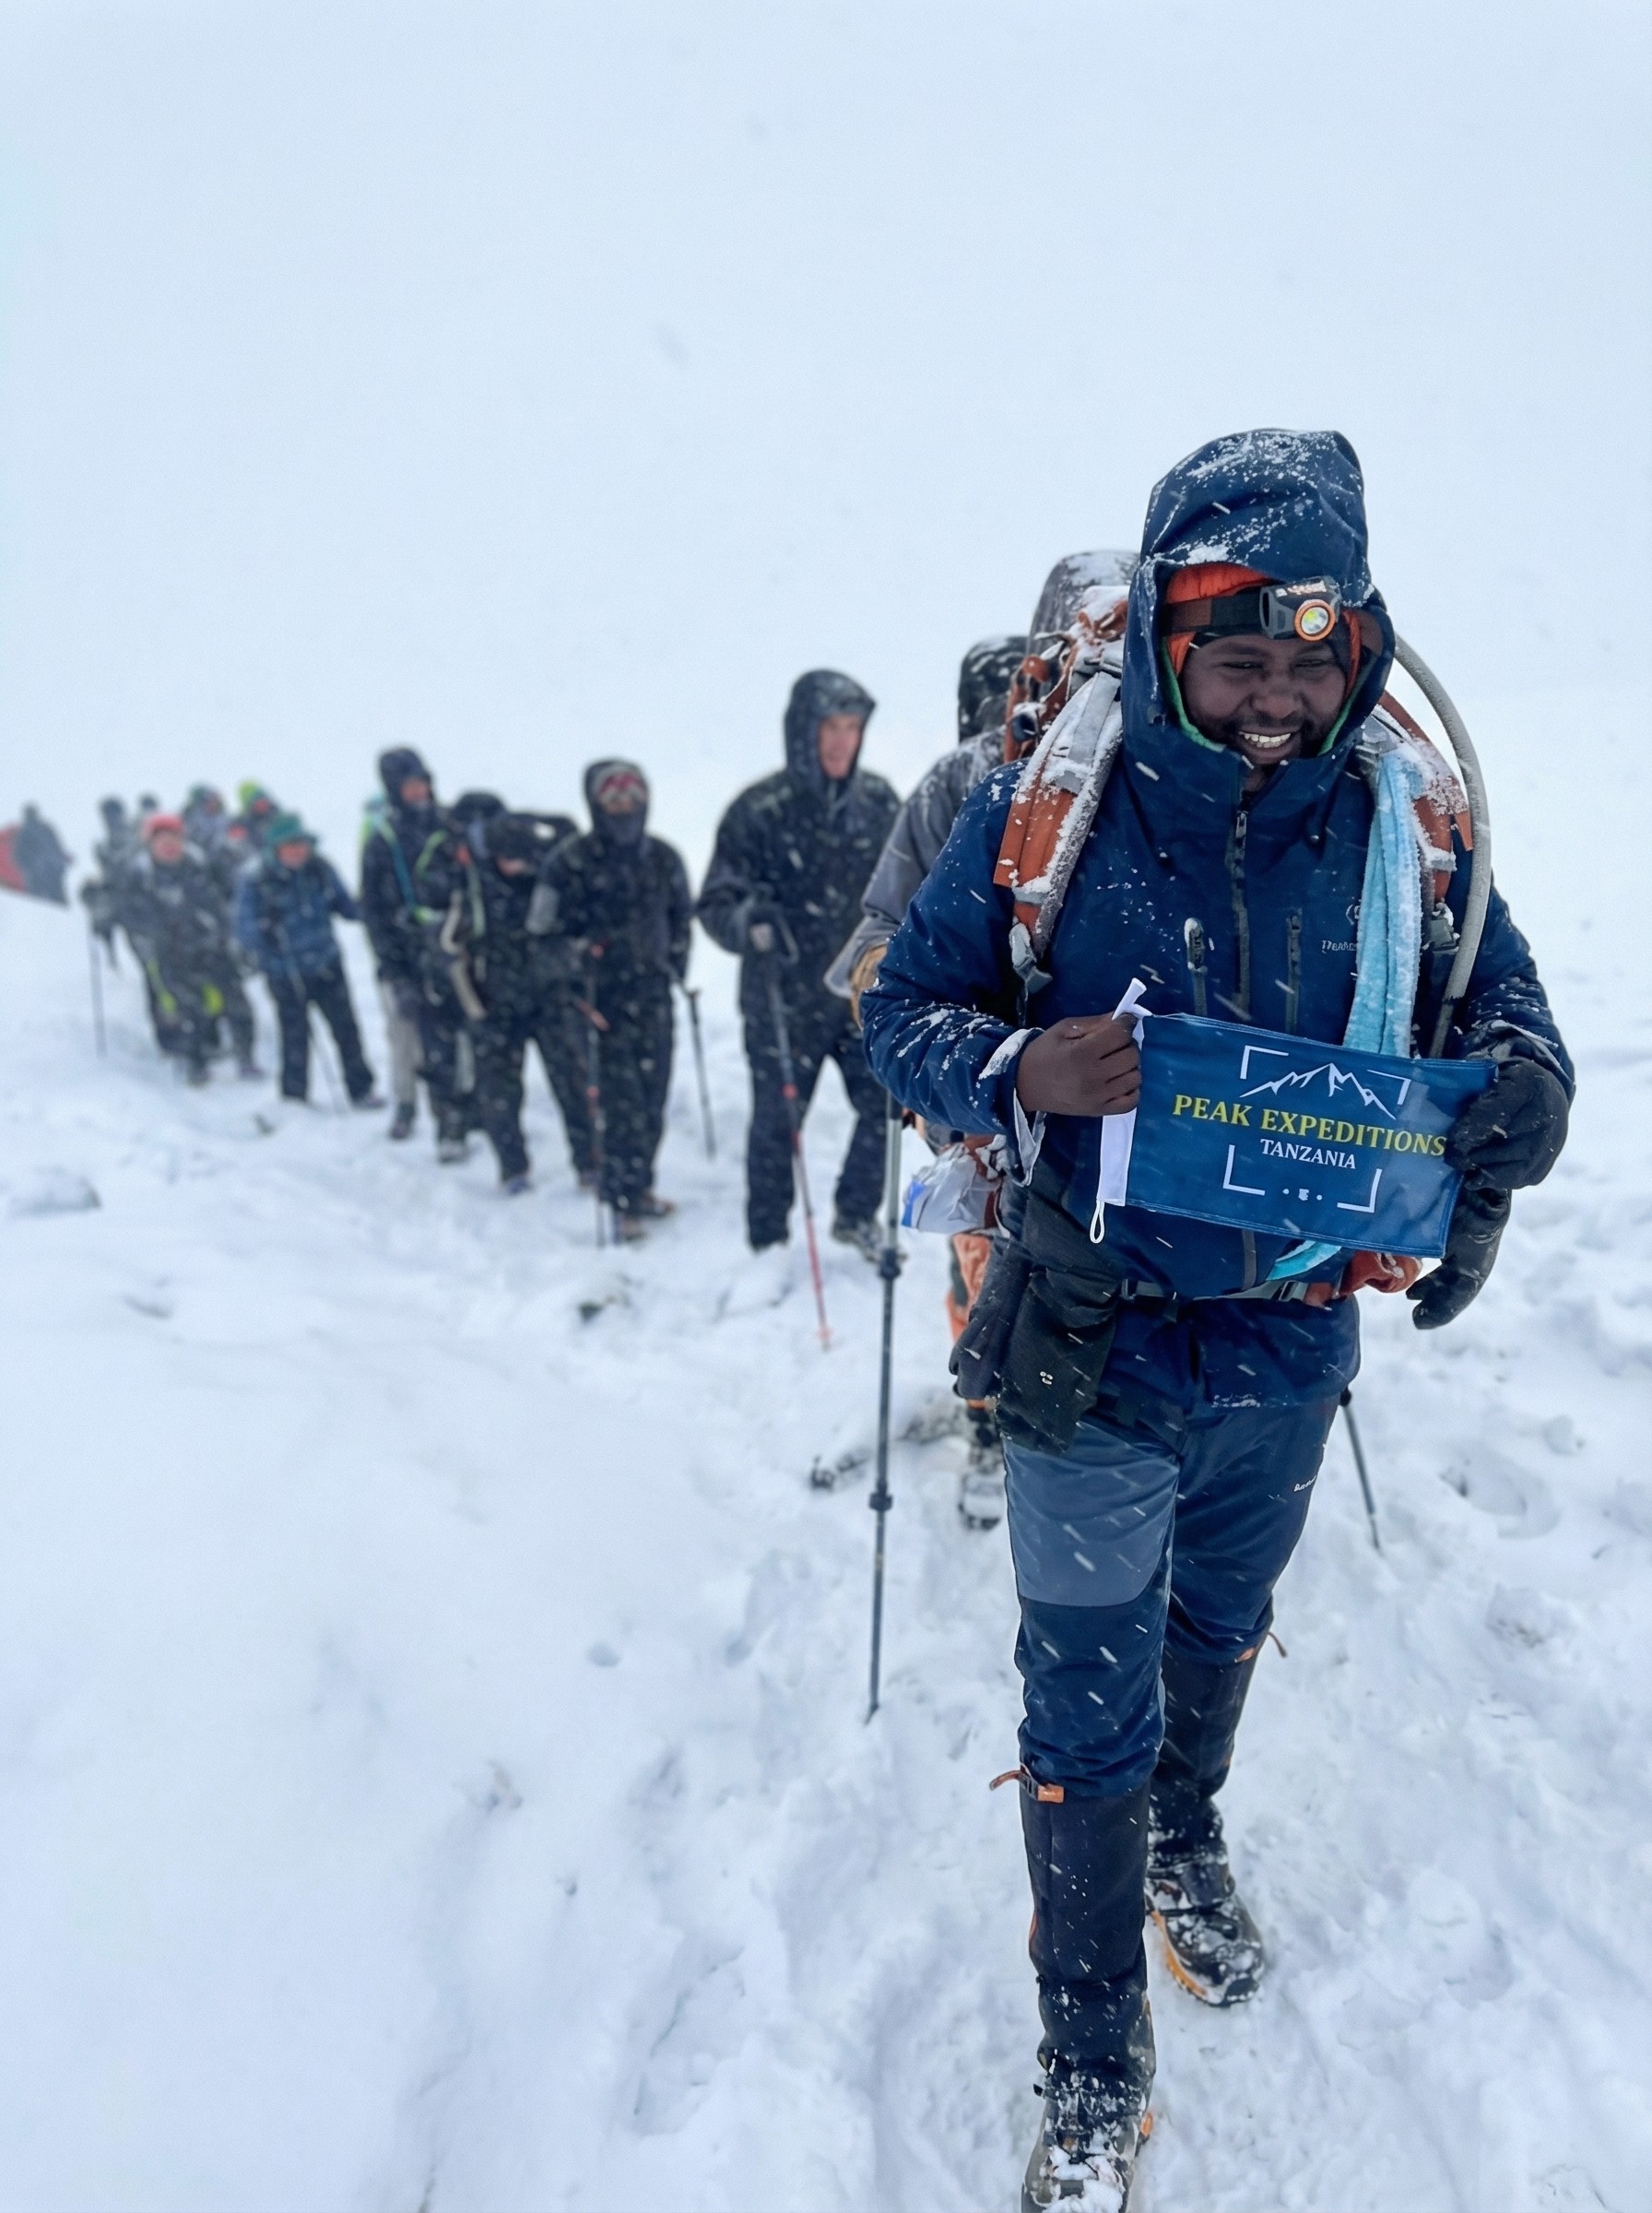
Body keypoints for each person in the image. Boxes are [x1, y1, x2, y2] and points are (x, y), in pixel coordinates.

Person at [860, 429, 1574, 2207]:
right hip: (1090, 1339)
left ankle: (1186, 1829)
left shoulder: (1407, 820)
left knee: (1216, 1636)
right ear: (1170, 647)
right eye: (1237, 661)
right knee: (1082, 1702)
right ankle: (1092, 2064)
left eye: (1307, 664)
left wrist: (1522, 1105)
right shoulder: (1065, 802)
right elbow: (901, 1017)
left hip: (1286, 1344)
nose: (1274, 703)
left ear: (1358, 653)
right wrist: (1026, 1063)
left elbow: (1512, 1018)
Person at [698, 670, 898, 1255]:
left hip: (858, 997)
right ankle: (768, 1238)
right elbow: (715, 900)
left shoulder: (879, 803)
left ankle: (855, 1213)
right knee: (776, 1125)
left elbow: (911, 886)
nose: (841, 741)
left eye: (852, 728)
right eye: (830, 727)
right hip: (780, 1000)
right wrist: (748, 922)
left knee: (883, 1105)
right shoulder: (759, 811)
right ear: (803, 733)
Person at [540, 763, 692, 1237]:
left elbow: (682, 918)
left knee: (652, 1099)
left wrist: (675, 967)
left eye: (632, 798)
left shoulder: (664, 857)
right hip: (598, 1005)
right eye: (614, 800)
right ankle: (619, 1198)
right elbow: (543, 934)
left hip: (653, 998)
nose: (625, 808)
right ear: (596, 805)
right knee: (616, 1105)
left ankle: (641, 1187)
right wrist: (576, 962)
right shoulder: (569, 861)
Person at [441, 811, 595, 1193]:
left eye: (524, 858)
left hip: (550, 998)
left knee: (572, 1084)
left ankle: (589, 1161)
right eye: (511, 859)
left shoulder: (551, 877)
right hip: (495, 1004)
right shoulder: (473, 887)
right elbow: (450, 941)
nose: (519, 866)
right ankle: (513, 1168)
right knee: (501, 1094)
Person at [360, 748, 471, 1159]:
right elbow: (374, 911)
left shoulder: (452, 825)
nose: (419, 792)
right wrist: (394, 970)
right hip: (416, 956)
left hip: (463, 945)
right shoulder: (383, 842)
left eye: (423, 783)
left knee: (472, 1039)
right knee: (432, 1042)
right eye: (410, 786)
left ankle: (473, 1110)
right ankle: (448, 1124)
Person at [235, 814, 381, 1108]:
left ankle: (361, 1089)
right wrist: (265, 932)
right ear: (275, 848)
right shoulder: (257, 879)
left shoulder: (320, 870)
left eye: (300, 844)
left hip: (326, 964)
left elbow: (345, 905)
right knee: (295, 1036)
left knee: (346, 1030)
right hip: (285, 973)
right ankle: (294, 1096)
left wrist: (372, 908)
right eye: (289, 845)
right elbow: (243, 927)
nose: (296, 851)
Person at [123, 813, 260, 1083]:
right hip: (171, 954)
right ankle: (196, 1063)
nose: (169, 845)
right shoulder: (141, 876)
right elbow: (129, 913)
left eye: (174, 839)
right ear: (150, 844)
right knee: (189, 1010)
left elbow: (230, 895)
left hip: (213, 947)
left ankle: (246, 1058)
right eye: (162, 840)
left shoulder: (203, 866)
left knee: (238, 1005)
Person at [14, 805, 71, 904]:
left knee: (40, 907)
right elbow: (57, 848)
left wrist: (28, 868)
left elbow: (18, 856)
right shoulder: (46, 828)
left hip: (37, 877)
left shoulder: (22, 834)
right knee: (59, 903)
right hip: (53, 872)